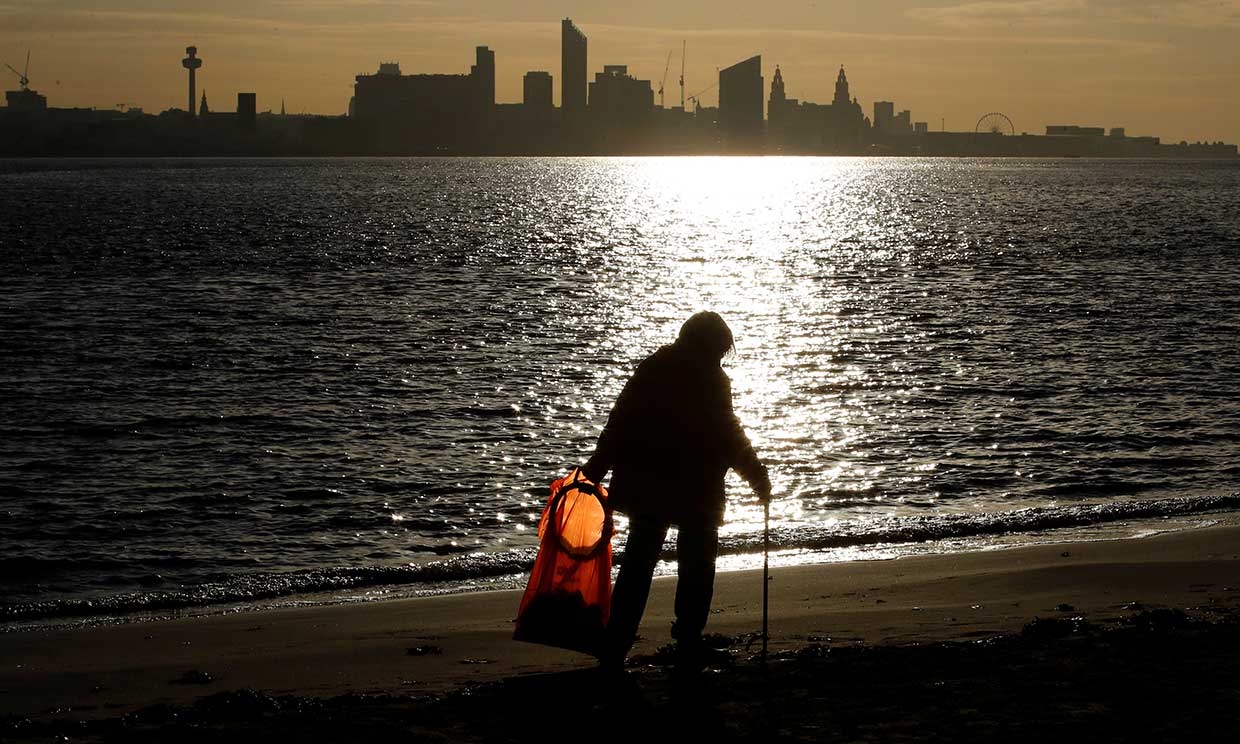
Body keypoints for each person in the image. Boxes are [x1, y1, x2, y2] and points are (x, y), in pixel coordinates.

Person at [583, 311, 771, 671]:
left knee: (639, 565)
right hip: (695, 490)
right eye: (719, 350)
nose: (720, 358)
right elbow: (728, 435)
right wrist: (756, 475)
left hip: (647, 486)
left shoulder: (652, 369)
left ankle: (616, 644)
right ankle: (687, 639)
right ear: (712, 347)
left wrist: (596, 468)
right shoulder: (712, 380)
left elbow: (620, 423)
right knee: (697, 565)